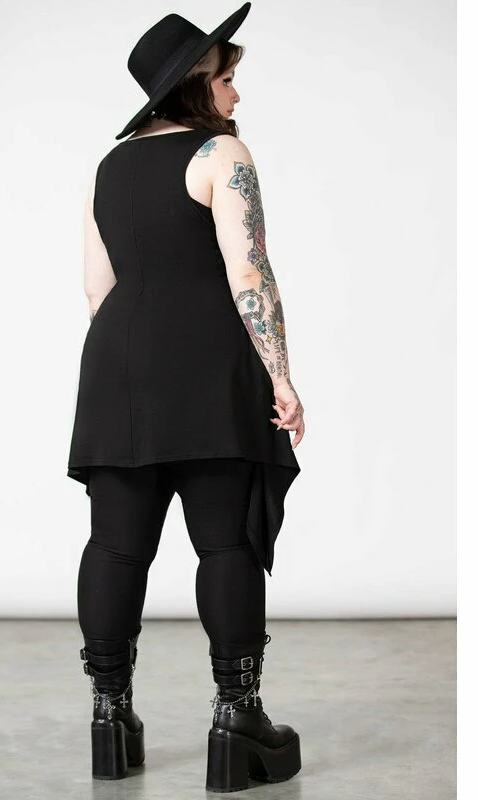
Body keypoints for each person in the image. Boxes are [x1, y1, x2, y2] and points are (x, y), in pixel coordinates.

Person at [68, 3, 305, 791]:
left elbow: (97, 290)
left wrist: (133, 369)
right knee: (225, 545)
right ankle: (237, 720)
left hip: (116, 367)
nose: (237, 94)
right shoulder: (221, 152)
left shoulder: (109, 167)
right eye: (229, 78)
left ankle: (110, 718)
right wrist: (281, 375)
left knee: (115, 546)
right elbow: (249, 272)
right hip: (209, 366)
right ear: (198, 83)